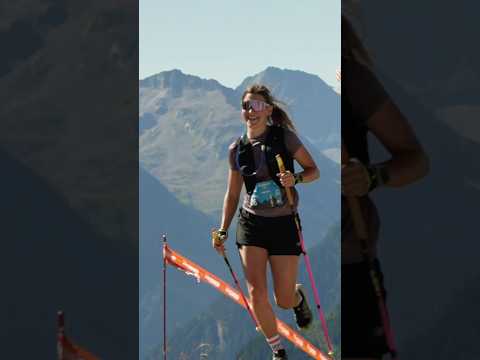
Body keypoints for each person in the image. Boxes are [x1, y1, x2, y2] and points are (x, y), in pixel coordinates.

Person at [340, 15, 430, 360]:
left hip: (350, 266)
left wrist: (371, 177)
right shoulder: (264, 100)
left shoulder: (351, 81)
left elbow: (417, 160)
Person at [211, 84, 320, 360]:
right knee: (256, 293)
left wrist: (294, 179)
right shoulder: (237, 148)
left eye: (257, 106)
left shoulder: (285, 139)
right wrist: (223, 230)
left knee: (282, 300)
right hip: (251, 224)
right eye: (247, 106)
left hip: (283, 223)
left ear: (269, 110)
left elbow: (313, 171)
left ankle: (297, 297)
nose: (251, 111)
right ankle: (278, 352)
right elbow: (233, 192)